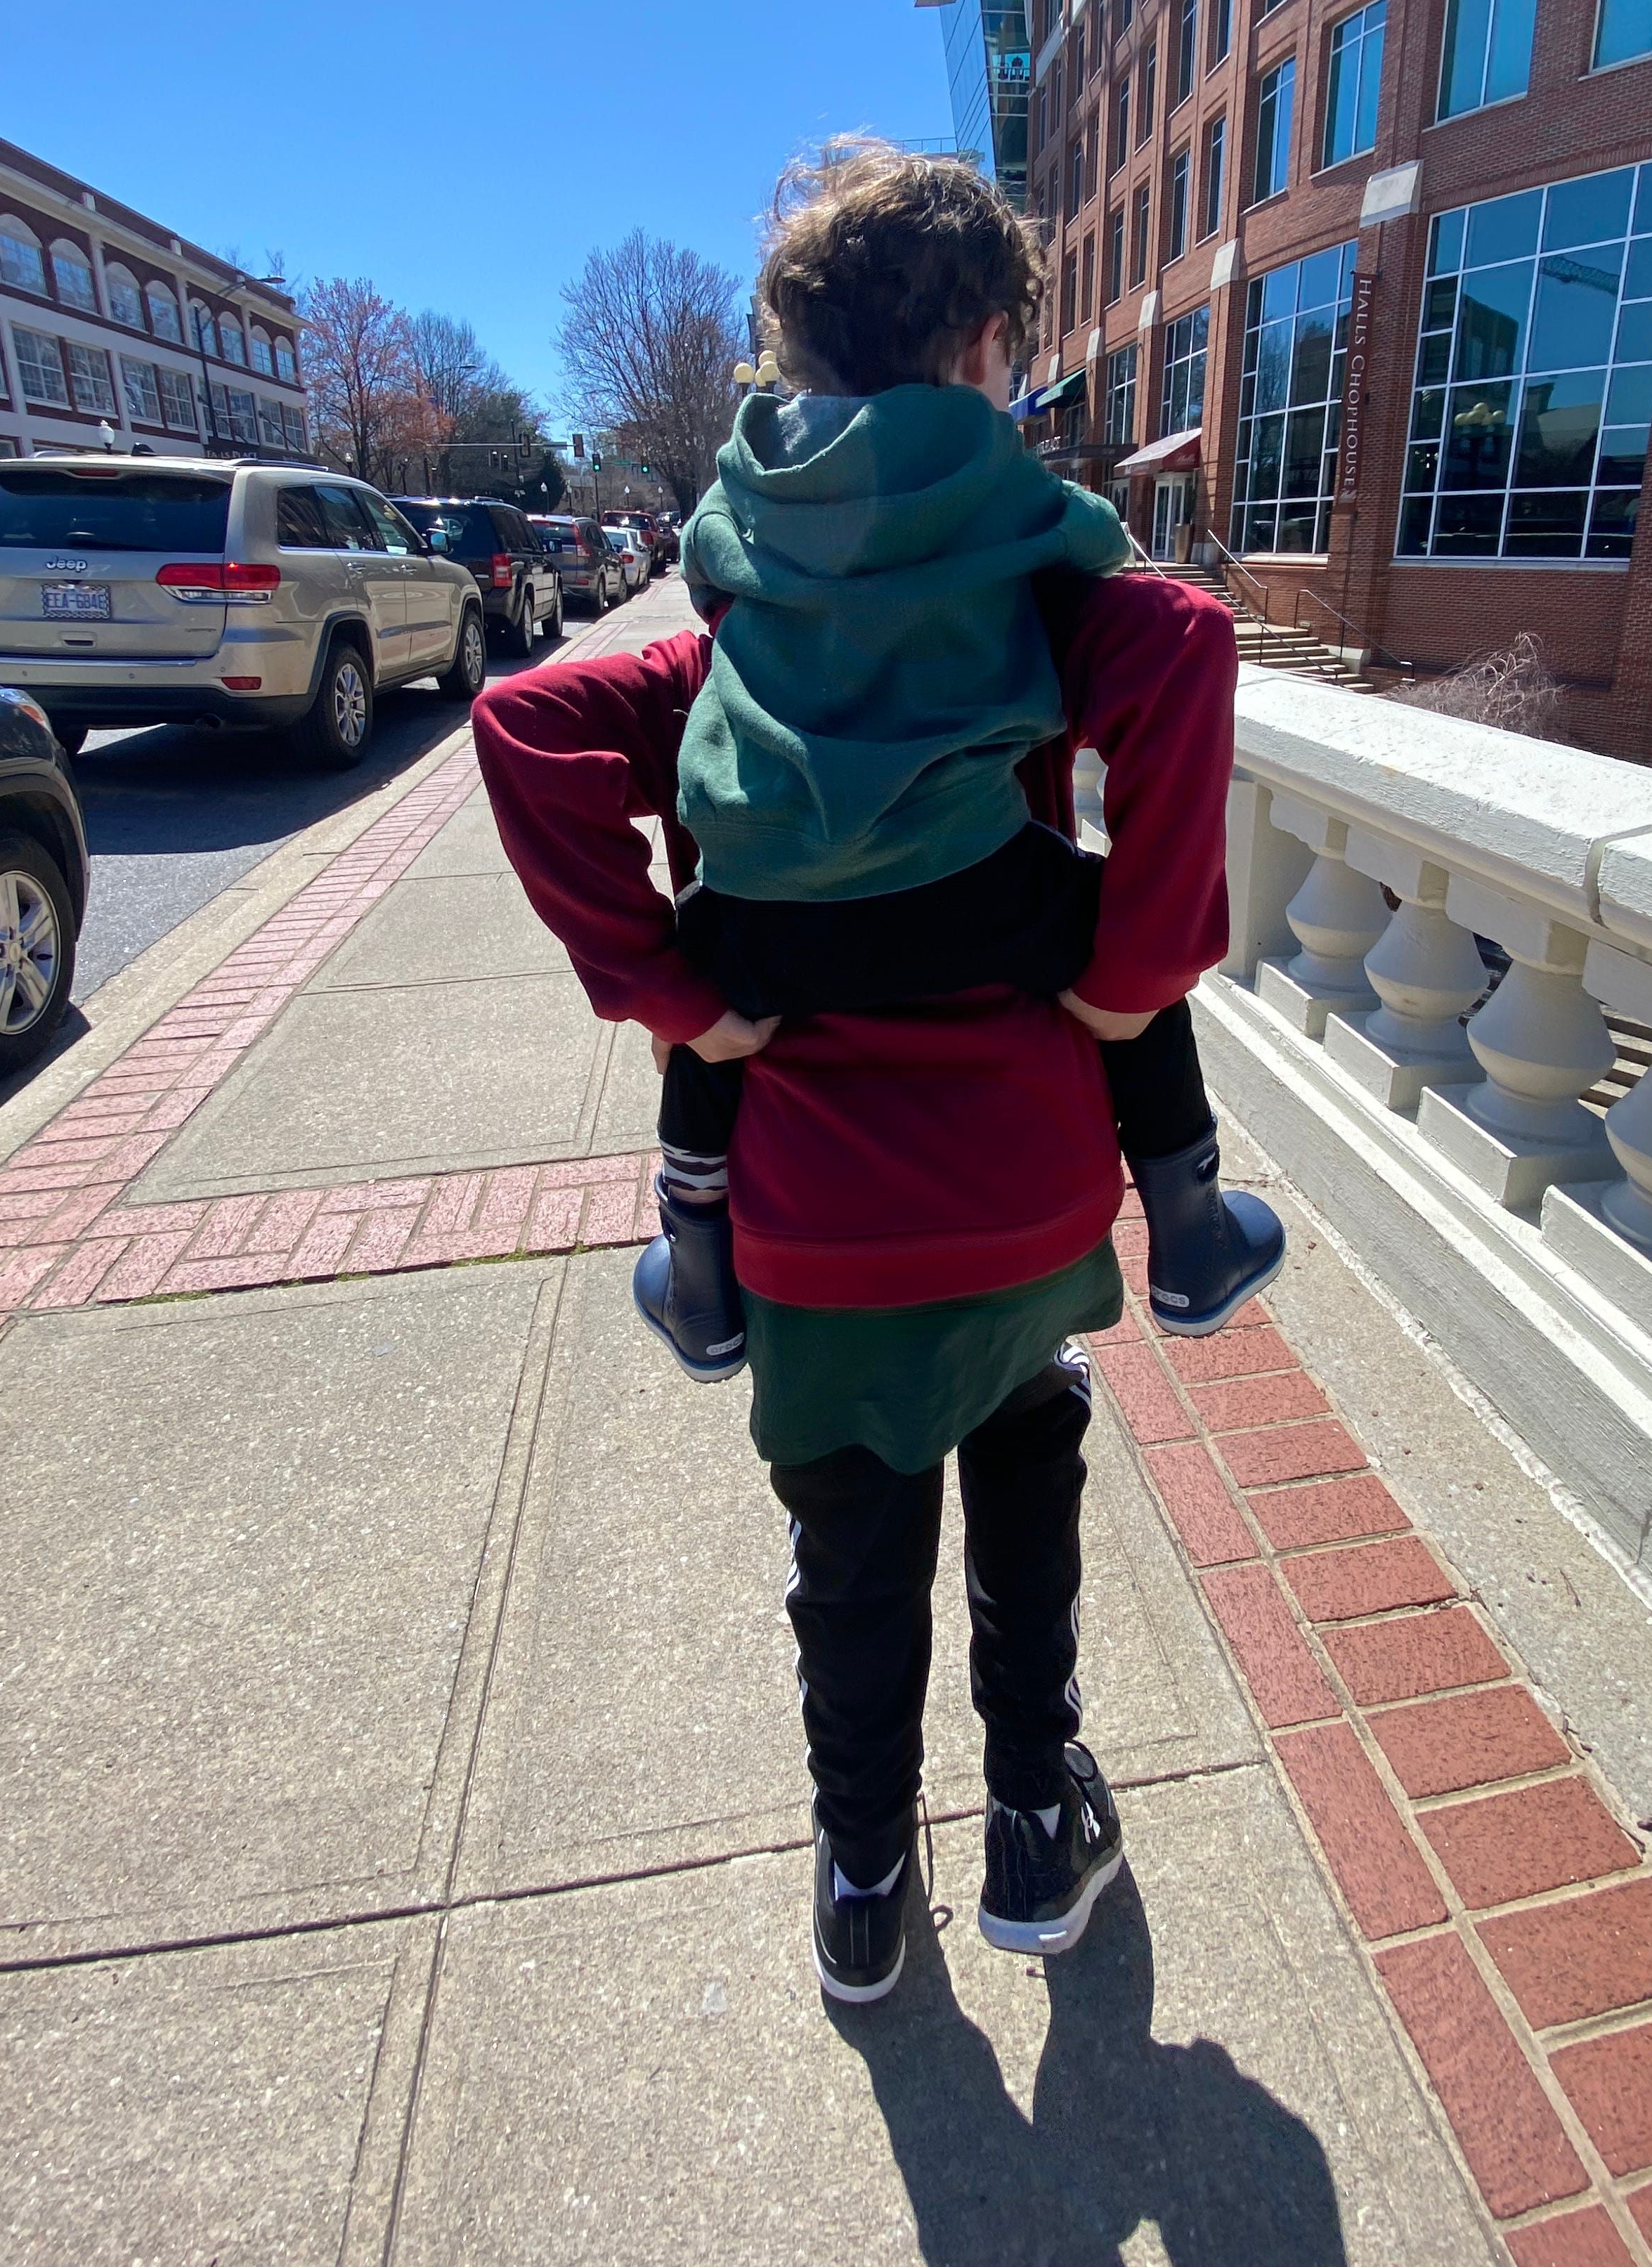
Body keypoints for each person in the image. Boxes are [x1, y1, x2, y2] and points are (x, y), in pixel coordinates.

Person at [472, 143, 1274, 2006]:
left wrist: (674, 994)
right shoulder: (1032, 584)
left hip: (810, 1221)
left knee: (849, 1546)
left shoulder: (739, 627)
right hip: (1020, 1187)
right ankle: (1032, 1831)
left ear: (798, 367)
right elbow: (1186, 642)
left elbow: (521, 722)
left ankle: (861, 1879)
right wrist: (1127, 977)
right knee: (1027, 1463)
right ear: (985, 345)